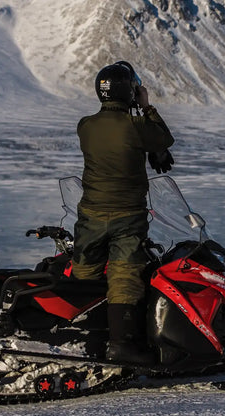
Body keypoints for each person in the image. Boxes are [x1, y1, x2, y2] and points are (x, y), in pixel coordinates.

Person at [72, 61, 175, 365]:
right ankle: (122, 345)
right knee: (125, 277)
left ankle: (81, 333)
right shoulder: (137, 125)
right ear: (128, 91)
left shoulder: (85, 125)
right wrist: (146, 106)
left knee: (85, 272)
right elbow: (162, 138)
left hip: (90, 214)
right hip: (127, 217)